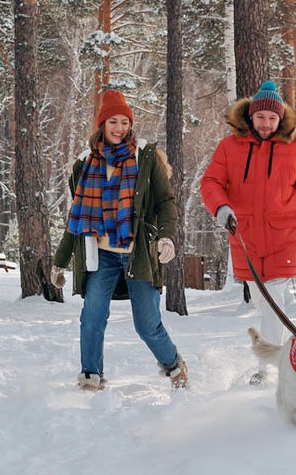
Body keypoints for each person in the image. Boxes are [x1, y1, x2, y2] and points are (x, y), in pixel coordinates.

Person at [199, 80, 296, 385]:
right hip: (245, 239)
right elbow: (210, 183)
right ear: (250, 116)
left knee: (273, 302)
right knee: (263, 303)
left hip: (283, 238)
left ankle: (268, 371)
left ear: (281, 119)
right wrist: (220, 207)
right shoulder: (229, 147)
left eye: (272, 118)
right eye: (260, 117)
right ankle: (288, 356)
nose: (265, 124)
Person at [53, 90, 187, 391]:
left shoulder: (145, 157)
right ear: (101, 125)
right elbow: (77, 216)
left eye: (124, 122)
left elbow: (166, 202)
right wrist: (59, 262)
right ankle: (91, 376)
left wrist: (167, 237)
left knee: (147, 324)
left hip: (138, 253)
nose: (119, 128)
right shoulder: (85, 165)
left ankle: (174, 365)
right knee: (91, 317)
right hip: (102, 256)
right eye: (112, 121)